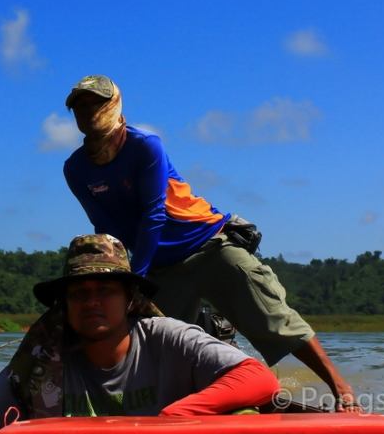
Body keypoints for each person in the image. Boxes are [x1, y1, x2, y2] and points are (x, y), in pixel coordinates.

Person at [62, 75, 359, 412]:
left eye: (95, 104)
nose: (87, 112)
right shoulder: (76, 169)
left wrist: (138, 281)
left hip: (208, 245)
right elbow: (105, 231)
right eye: (80, 106)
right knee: (150, 347)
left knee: (274, 319)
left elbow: (154, 214)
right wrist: (118, 280)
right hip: (160, 267)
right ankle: (192, 389)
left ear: (113, 105)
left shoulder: (144, 146)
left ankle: (340, 388)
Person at [0, 234, 280, 434]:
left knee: (242, 415)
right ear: (65, 304)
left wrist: (179, 414)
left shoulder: (167, 339)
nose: (92, 302)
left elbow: (259, 379)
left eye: (106, 290)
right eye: (79, 293)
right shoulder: (41, 362)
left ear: (130, 299)